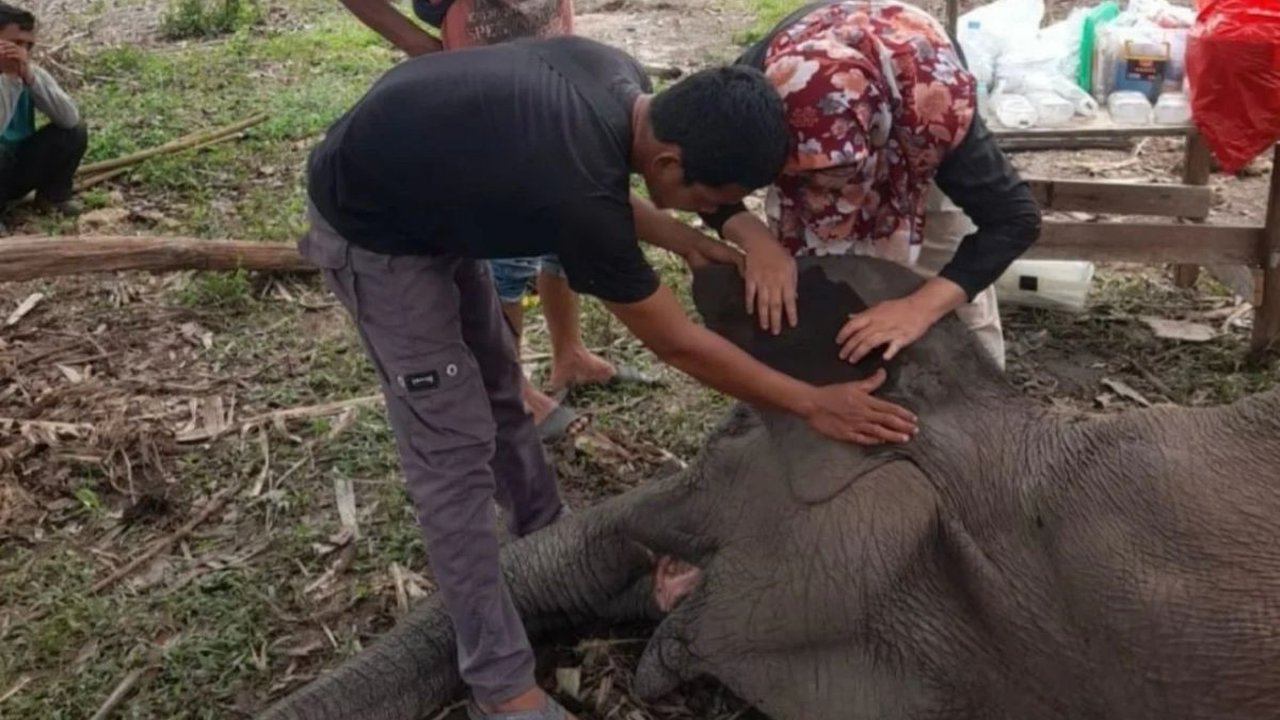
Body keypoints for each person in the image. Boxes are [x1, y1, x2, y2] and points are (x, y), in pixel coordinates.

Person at [301, 35, 918, 720]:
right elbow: (677, 343)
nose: (703, 212)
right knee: (453, 459)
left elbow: (592, 184)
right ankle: (501, 688)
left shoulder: (620, 78)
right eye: (706, 201)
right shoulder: (579, 194)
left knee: (501, 389)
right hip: (376, 232)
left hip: (437, 197)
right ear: (669, 162)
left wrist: (692, 238)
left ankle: (545, 540)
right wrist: (811, 403)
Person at [339, 0, 636, 441]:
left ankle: (569, 354)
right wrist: (419, 45)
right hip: (485, 102)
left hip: (549, 76)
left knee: (563, 214)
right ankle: (510, 388)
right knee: (508, 249)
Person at [700, 0, 1042, 369]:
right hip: (830, 120)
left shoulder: (936, 116)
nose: (825, 191)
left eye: (836, 172)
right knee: (812, 283)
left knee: (952, 282)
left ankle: (982, 392)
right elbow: (696, 177)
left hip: (909, 124)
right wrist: (759, 242)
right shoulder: (751, 101)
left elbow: (1016, 220)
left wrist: (920, 307)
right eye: (803, 174)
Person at [0, 2, 86, 235]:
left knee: (73, 131)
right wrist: (8, 80)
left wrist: (29, 78)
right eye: (15, 43)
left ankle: (52, 197)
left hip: (14, 167)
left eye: (28, 46)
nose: (22, 52)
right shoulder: (10, 75)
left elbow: (69, 118)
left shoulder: (29, 72)